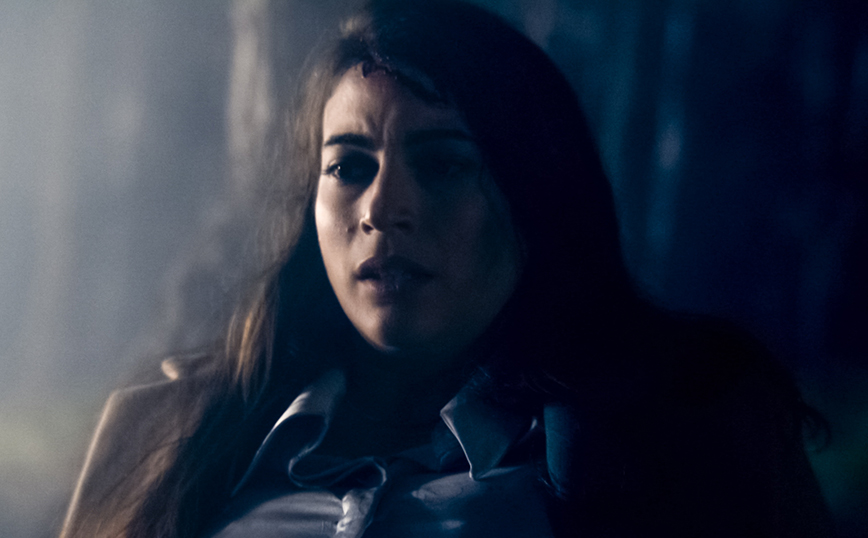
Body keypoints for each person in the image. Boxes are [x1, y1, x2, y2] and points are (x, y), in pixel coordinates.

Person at [60, 1, 834, 537]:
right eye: (348, 166)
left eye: (443, 165)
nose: (383, 208)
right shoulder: (169, 431)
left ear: (535, 195)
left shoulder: (686, 431)